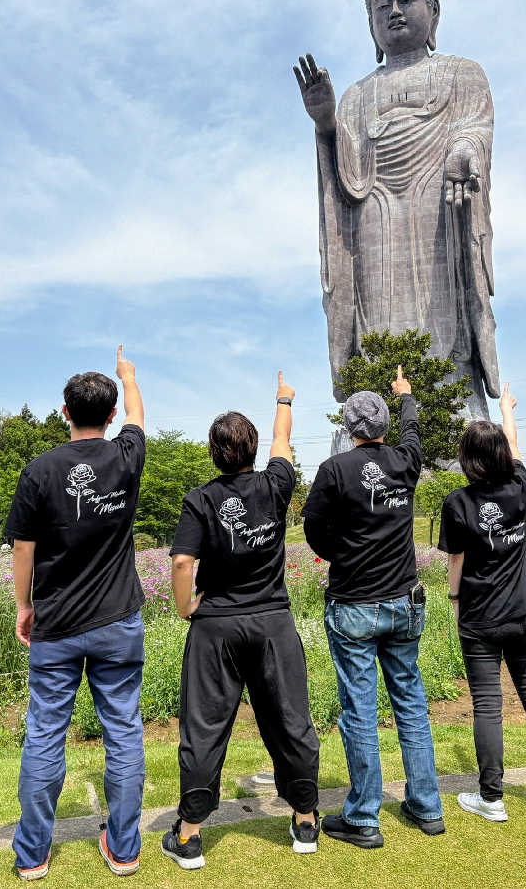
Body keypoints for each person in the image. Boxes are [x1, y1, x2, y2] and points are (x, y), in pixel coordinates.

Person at [294, 0, 499, 420]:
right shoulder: (355, 95)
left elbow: (475, 128)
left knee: (445, 313)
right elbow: (348, 178)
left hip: (440, 203)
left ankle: (456, 409)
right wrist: (326, 120)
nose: (395, 12)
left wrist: (464, 150)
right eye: (382, 6)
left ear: (435, 14)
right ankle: (372, 415)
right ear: (371, 27)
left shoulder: (462, 73)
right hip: (376, 213)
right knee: (375, 318)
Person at [162, 372, 320, 869]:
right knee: (290, 719)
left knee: (205, 726)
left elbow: (183, 562)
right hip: (272, 621)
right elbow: (283, 439)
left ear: (213, 452)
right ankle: (305, 820)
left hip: (217, 626)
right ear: (252, 452)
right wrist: (283, 397)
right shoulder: (275, 485)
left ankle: (189, 835)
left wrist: (185, 606)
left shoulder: (200, 499)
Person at [7, 346, 147, 880]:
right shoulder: (125, 455)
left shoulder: (39, 470)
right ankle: (125, 849)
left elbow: (23, 548)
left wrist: (25, 605)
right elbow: (138, 415)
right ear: (109, 416)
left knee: (44, 732)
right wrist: (128, 376)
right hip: (117, 621)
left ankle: (33, 855)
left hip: (56, 624)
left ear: (64, 412)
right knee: (123, 731)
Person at [302, 367, 444, 848]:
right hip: (405, 601)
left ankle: (364, 816)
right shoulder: (405, 464)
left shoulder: (333, 469)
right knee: (411, 701)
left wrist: (338, 553)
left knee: (360, 709)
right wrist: (406, 396)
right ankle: (427, 806)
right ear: (383, 427)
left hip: (354, 603)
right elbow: (414, 436)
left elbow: (313, 529)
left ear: (349, 428)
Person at [438, 384, 526, 821]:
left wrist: (454, 600)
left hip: (480, 617)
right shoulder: (519, 487)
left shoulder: (457, 503)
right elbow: (515, 446)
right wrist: (506, 409)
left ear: (467, 459)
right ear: (499, 456)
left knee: (488, 707)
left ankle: (492, 798)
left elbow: (456, 560)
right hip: (523, 613)